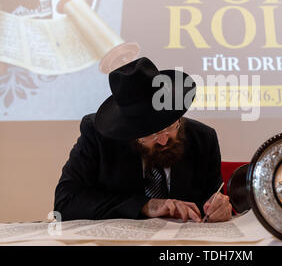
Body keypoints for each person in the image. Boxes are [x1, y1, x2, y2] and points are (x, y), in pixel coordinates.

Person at [54, 57, 232, 223]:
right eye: (149, 135)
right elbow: (65, 202)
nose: (163, 140)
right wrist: (145, 205)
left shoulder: (203, 139)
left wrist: (220, 209)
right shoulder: (99, 137)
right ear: (129, 132)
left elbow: (212, 202)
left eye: (170, 127)